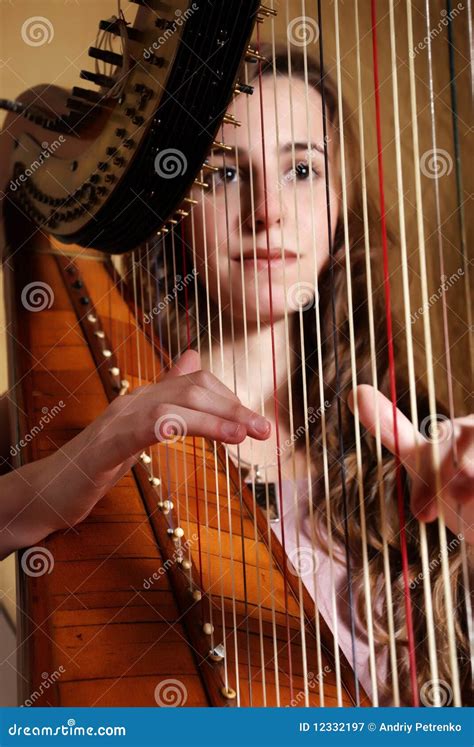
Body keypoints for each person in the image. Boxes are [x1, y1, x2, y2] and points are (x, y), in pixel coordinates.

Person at [0, 45, 472, 705]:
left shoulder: (422, 442)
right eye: (225, 175)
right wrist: (63, 476)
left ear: (341, 207)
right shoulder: (60, 416)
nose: (268, 212)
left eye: (302, 170)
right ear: (174, 209)